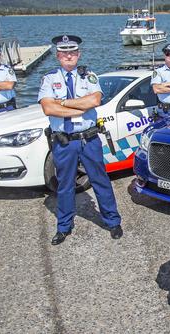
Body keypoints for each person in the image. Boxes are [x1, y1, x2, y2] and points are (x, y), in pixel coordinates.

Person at [38, 34, 122, 245]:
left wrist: (63, 103)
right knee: (64, 185)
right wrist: (78, 105)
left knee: (100, 181)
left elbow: (94, 101)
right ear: (58, 55)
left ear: (79, 54)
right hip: (64, 141)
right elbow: (48, 108)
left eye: (73, 52)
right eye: (64, 52)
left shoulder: (89, 76)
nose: (69, 55)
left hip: (88, 139)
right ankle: (64, 226)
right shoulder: (49, 78)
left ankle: (112, 222)